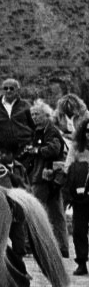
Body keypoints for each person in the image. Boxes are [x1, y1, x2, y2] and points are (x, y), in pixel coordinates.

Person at [23, 101, 69, 259]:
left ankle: (30, 246)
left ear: (46, 115)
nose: (34, 117)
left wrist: (35, 150)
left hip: (44, 178)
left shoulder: (51, 131)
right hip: (46, 178)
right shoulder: (39, 131)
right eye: (33, 114)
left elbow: (54, 149)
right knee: (56, 214)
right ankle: (62, 247)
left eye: (37, 114)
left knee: (34, 212)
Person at [0, 78, 33, 166]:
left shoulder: (26, 105)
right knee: (6, 172)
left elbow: (33, 124)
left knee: (23, 171)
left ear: (17, 90)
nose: (8, 91)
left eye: (11, 88)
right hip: (4, 147)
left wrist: (33, 142)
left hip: (23, 146)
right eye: (5, 88)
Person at [62, 118, 89, 276]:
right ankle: (81, 262)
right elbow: (68, 166)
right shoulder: (77, 147)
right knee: (79, 230)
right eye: (87, 131)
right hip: (80, 196)